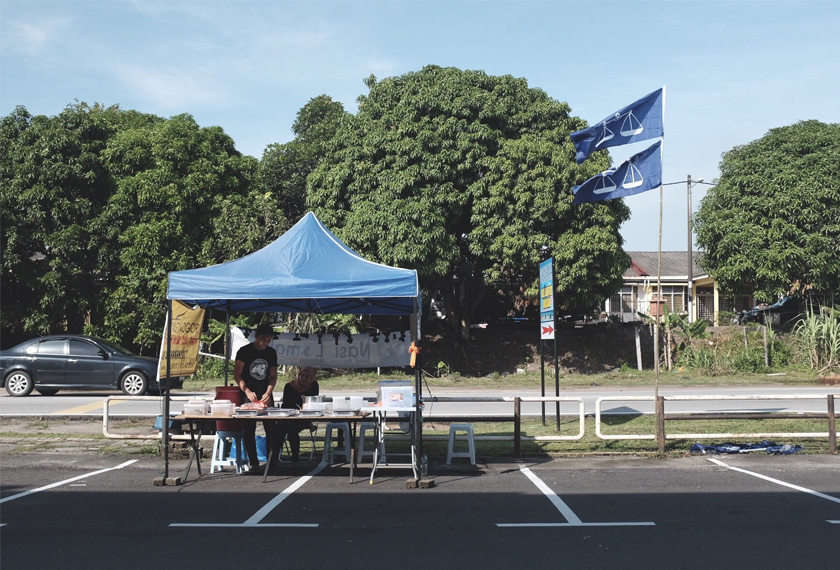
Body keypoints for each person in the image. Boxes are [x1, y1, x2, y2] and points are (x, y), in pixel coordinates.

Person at [234, 323, 278, 473]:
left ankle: (272, 462)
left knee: (271, 427)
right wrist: (246, 391)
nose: (265, 343)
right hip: (249, 393)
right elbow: (237, 375)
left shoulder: (271, 353)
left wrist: (268, 392)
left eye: (268, 340)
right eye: (263, 339)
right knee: (249, 428)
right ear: (256, 337)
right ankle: (254, 463)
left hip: (265, 392)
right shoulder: (244, 351)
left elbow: (273, 376)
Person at [276, 366, 319, 464]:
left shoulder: (314, 386)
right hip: (288, 416)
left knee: (290, 427)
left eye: (307, 376)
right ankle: (273, 460)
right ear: (298, 375)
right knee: (281, 428)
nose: (304, 378)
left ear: (312, 378)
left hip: (304, 418)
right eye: (302, 375)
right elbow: (286, 405)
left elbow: (312, 404)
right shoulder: (289, 386)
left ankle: (295, 460)